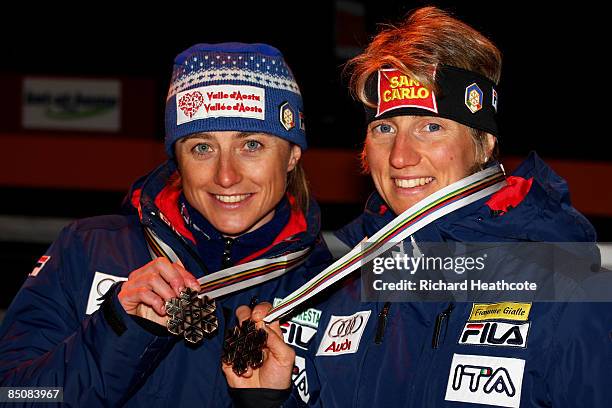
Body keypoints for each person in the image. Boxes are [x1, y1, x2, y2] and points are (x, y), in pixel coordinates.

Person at [224, 7, 612, 407]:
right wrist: (268, 400)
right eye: (385, 129)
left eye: (431, 127)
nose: (400, 156)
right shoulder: (337, 294)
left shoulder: (573, 298)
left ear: (484, 142)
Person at [0, 43, 332, 406]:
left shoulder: (328, 285)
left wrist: (269, 402)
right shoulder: (88, 249)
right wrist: (120, 328)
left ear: (292, 155)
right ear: (177, 158)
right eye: (202, 148)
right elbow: (15, 395)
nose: (226, 176)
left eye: (251, 145)